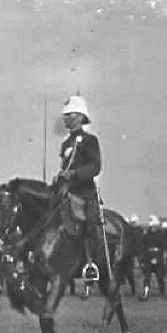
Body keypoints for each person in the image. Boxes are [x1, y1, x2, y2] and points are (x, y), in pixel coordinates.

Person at [52, 95, 103, 282]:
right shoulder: (66, 144)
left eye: (70, 114)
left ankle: (90, 264)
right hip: (66, 193)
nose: (65, 118)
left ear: (81, 116)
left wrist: (74, 174)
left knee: (89, 225)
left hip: (85, 193)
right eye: (65, 115)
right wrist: (59, 177)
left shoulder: (90, 141)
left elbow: (95, 166)